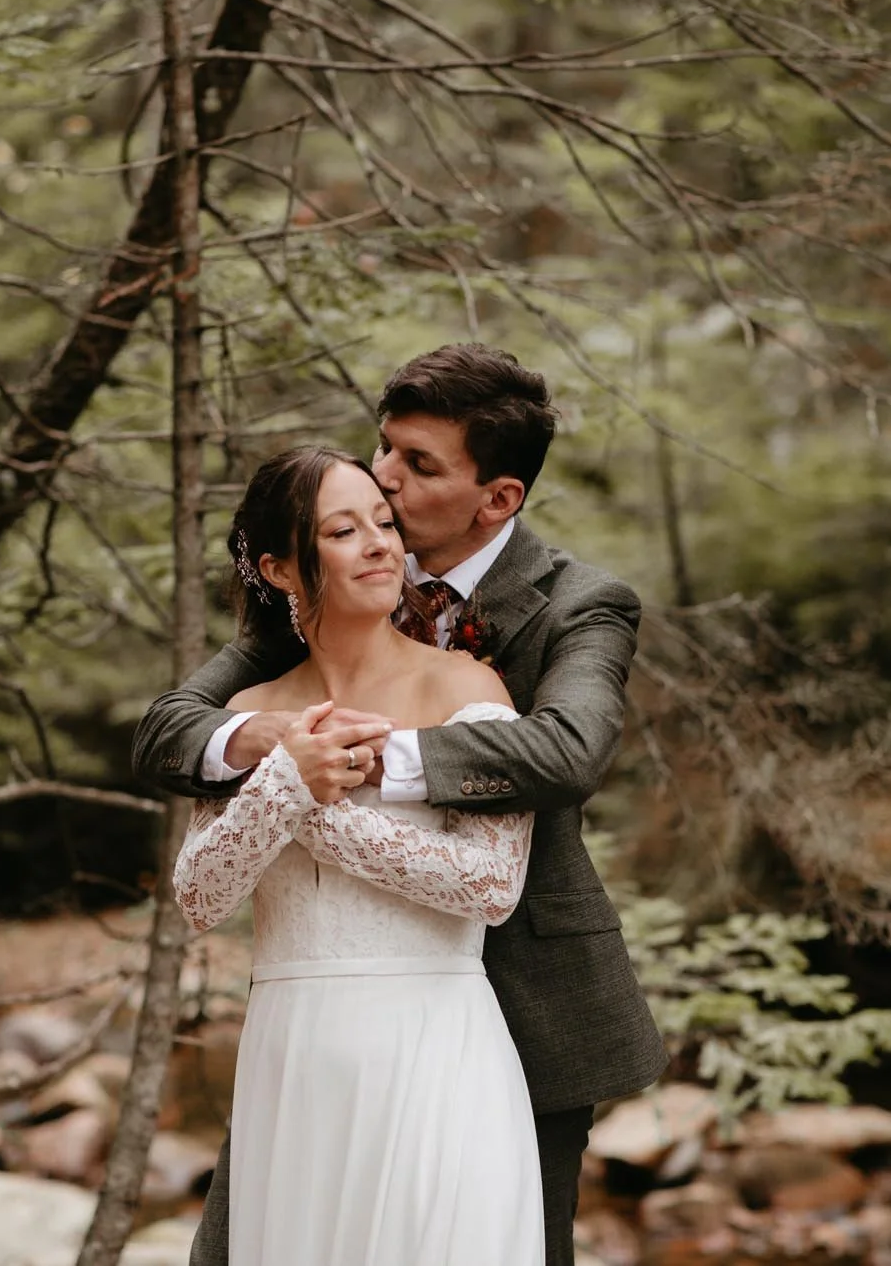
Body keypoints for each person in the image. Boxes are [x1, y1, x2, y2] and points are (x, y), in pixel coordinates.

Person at [133, 343, 669, 1266]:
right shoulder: (313, 579)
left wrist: (363, 754)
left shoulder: (576, 605)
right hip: (311, 1018)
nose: (384, 481)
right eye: (385, 450)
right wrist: (265, 747)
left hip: (522, 1002)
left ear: (496, 497)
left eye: (417, 467)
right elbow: (170, 730)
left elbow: (569, 750)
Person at [170, 445, 544, 1265]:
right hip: (295, 1056)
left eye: (384, 521)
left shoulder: (467, 689)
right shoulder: (248, 712)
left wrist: (307, 800)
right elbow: (199, 895)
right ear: (281, 568)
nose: (381, 543)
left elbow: (490, 883)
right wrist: (284, 778)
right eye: (344, 530)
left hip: (436, 1044)